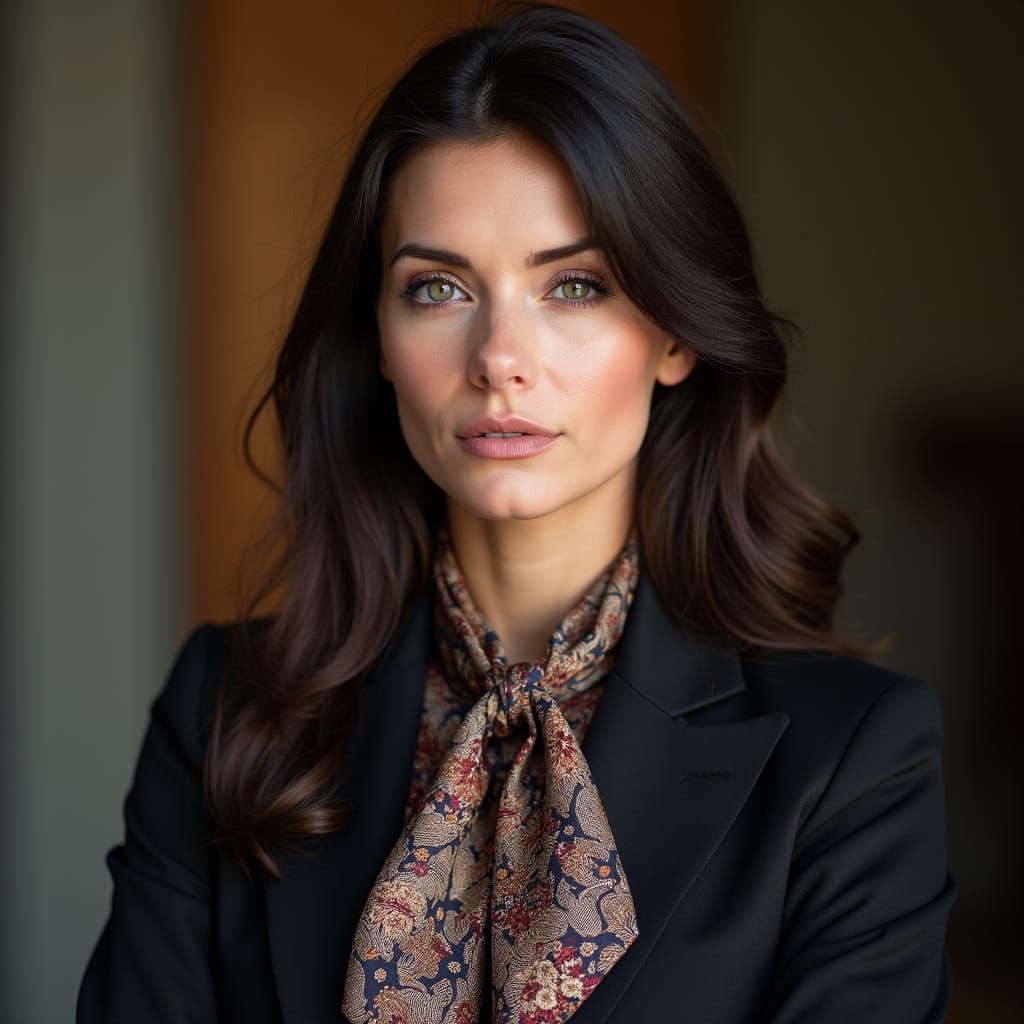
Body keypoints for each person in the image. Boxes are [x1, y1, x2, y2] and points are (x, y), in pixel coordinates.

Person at [77, 2, 956, 1021]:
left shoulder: (852, 756)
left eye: (574, 286)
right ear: (375, 335)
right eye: (438, 288)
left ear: (674, 333)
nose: (499, 357)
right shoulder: (224, 710)